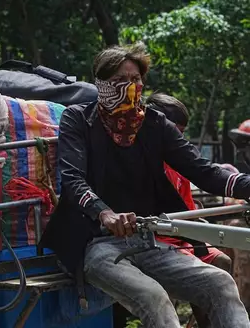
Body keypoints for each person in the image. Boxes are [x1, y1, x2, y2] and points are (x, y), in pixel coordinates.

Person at [41, 43, 250, 328]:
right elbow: (73, 179)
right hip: (96, 244)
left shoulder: (154, 124)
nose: (131, 88)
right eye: (120, 82)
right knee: (154, 297)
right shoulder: (79, 119)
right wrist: (105, 213)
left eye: (136, 80)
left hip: (149, 240)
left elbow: (203, 171)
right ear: (101, 84)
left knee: (220, 283)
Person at [145, 92, 232, 327]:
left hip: (182, 237)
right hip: (157, 241)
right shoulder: (141, 161)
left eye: (181, 134)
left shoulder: (180, 162)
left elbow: (188, 208)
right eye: (175, 132)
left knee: (222, 262)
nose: (178, 139)